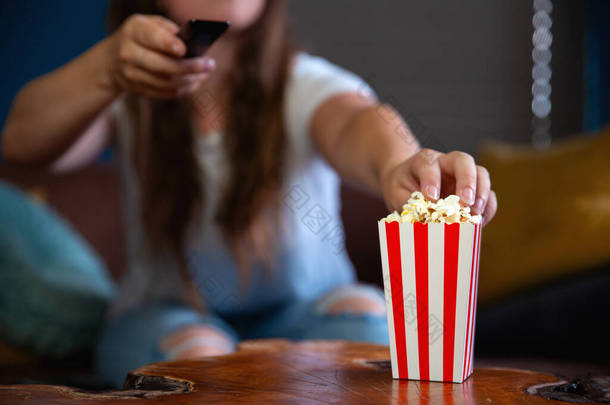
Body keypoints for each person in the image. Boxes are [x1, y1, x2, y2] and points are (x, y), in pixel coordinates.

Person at [1, 0, 497, 387]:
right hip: (167, 312)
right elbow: (23, 144)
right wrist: (106, 68)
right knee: (200, 360)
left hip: (309, 309)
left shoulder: (304, 83)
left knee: (367, 320)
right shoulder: (128, 96)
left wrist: (400, 165)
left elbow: (356, 123)